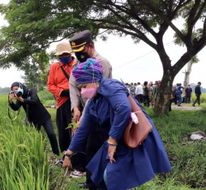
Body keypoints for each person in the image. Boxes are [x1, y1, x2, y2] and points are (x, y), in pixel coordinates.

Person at [62, 59, 171, 190]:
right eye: (80, 88)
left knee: (113, 176)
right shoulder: (93, 102)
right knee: (100, 173)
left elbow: (123, 109)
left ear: (94, 80)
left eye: (84, 86)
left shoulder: (111, 87)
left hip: (129, 135)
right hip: (116, 139)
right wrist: (69, 153)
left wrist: (112, 141)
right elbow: (83, 130)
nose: (82, 92)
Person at [68, 30, 113, 184]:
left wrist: (84, 116)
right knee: (89, 149)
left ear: (91, 45)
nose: (80, 55)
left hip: (100, 115)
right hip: (87, 112)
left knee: (99, 150)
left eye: (82, 51)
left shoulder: (101, 63)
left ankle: (101, 182)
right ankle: (90, 181)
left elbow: (95, 92)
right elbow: (72, 83)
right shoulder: (79, 64)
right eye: (77, 52)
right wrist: (75, 107)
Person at [8, 82, 60, 155]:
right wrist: (10, 102)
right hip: (34, 120)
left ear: (21, 87)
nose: (16, 92)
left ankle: (56, 152)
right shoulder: (19, 97)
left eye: (16, 89)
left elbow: (34, 101)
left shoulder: (31, 91)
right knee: (37, 137)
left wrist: (23, 100)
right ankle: (42, 152)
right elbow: (16, 108)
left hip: (44, 117)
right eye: (14, 91)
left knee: (51, 134)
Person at [47, 41, 77, 153]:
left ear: (70, 54)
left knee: (76, 127)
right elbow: (50, 85)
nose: (63, 57)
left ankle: (77, 156)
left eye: (65, 54)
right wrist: (61, 92)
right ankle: (65, 154)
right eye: (60, 55)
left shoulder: (76, 65)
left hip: (76, 101)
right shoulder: (55, 67)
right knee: (63, 129)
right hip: (62, 102)